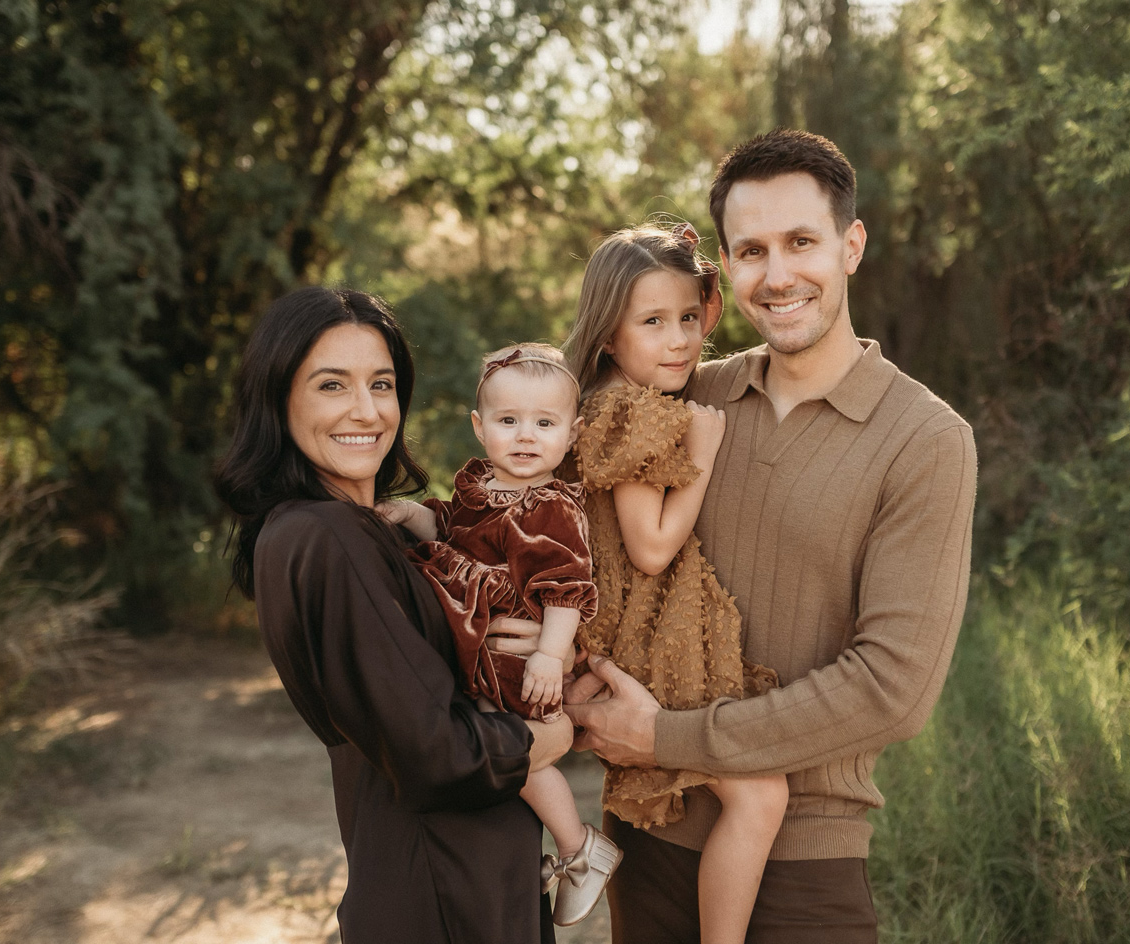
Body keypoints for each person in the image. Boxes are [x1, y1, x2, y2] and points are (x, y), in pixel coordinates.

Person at [564, 128, 979, 944]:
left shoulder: (924, 439)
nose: (778, 274)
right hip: (644, 835)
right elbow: (571, 491)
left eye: (801, 242)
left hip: (803, 868)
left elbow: (892, 689)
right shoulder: (686, 393)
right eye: (751, 250)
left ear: (851, 245)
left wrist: (666, 734)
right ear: (724, 268)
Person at [213, 286, 567, 944]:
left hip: (472, 883)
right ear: (279, 397)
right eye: (331, 385)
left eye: (382, 383)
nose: (365, 410)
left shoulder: (369, 531)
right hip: (439, 899)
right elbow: (438, 753)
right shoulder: (326, 538)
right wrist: (556, 735)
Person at [560, 222, 791, 944]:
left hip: (635, 621)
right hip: (647, 626)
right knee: (759, 796)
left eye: (690, 318)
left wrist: (703, 283)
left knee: (747, 794)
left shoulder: (603, 397)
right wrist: (705, 451)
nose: (682, 341)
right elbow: (653, 548)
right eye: (653, 322)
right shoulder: (634, 413)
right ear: (607, 333)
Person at [380, 343, 622, 928]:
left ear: (572, 433)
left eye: (545, 423)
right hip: (479, 649)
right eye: (508, 420)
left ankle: (580, 848)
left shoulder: (552, 508)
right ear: (479, 426)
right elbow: (455, 531)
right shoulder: (477, 488)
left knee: (511, 749)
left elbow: (566, 589)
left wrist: (549, 653)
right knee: (483, 742)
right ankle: (521, 853)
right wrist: (414, 517)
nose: (525, 436)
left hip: (520, 658)